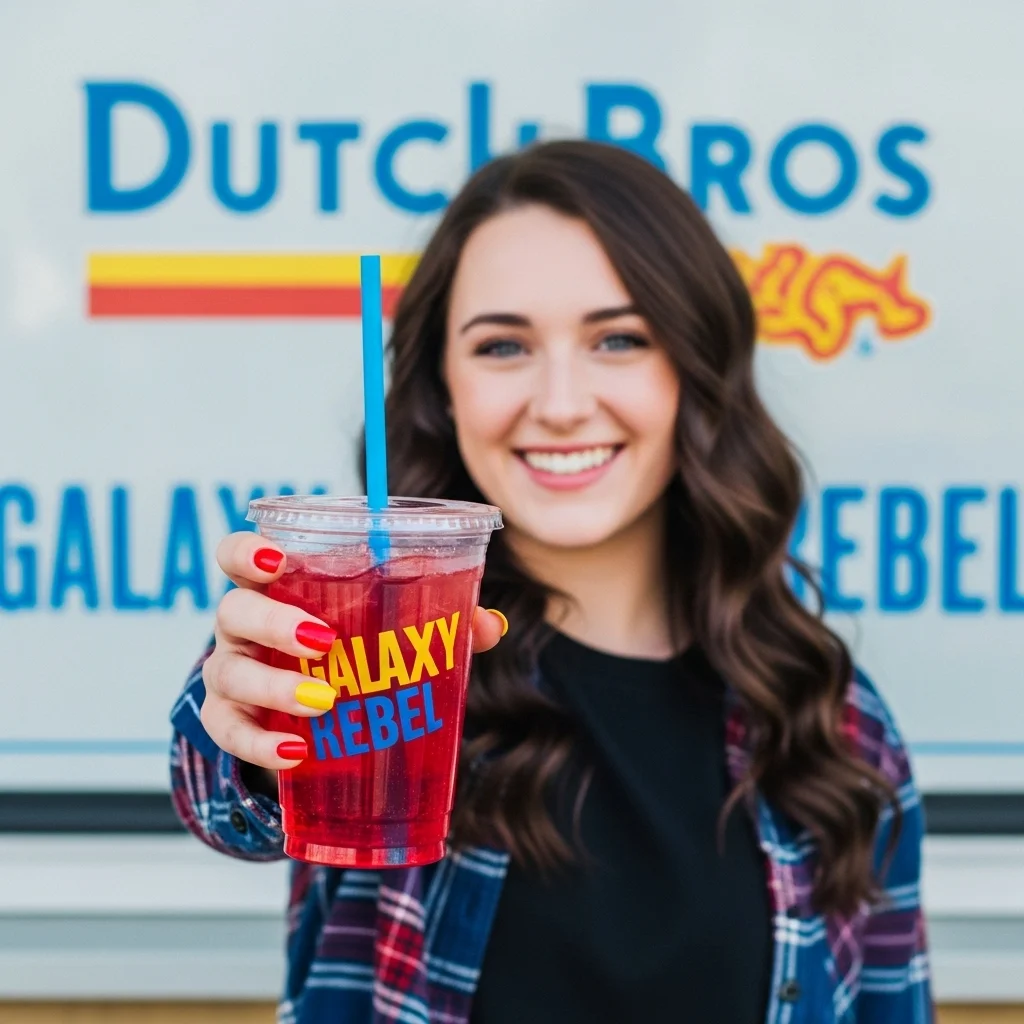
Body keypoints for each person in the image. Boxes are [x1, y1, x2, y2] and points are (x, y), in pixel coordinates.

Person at [170, 140, 933, 1023]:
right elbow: (226, 798)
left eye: (618, 338)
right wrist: (256, 738)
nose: (562, 402)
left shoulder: (840, 729)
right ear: (443, 388)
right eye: (503, 346)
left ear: (693, 369)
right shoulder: (378, 658)